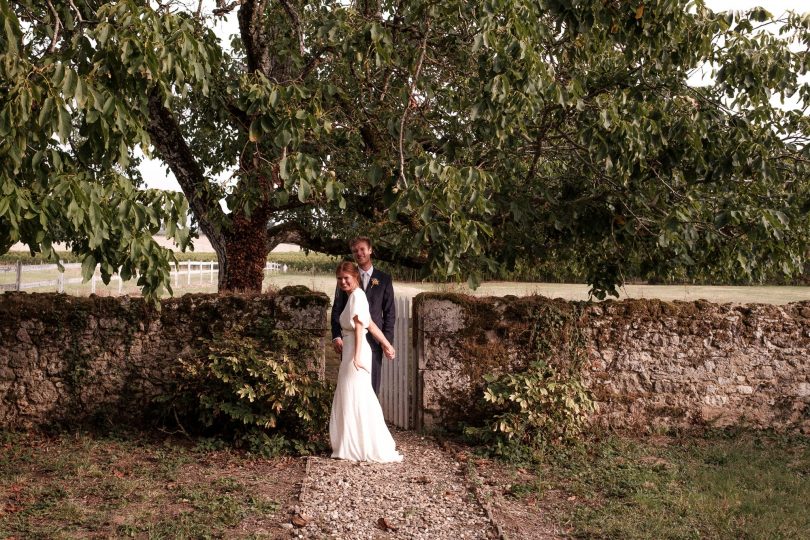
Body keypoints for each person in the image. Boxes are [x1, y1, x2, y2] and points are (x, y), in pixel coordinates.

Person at [329, 261, 403, 462]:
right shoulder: (353, 297)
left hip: (356, 352)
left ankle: (359, 445)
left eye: (347, 278)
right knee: (353, 395)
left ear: (355, 278)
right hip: (353, 350)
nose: (343, 282)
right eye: (340, 279)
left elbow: (361, 328)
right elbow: (371, 324)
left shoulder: (357, 296)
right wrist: (387, 344)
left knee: (357, 395)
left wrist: (357, 356)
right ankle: (352, 443)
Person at [330, 237, 395, 395]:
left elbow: (389, 314)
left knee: (371, 392)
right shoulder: (346, 279)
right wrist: (336, 336)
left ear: (370, 250)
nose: (359, 253)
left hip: (373, 344)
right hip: (349, 345)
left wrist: (386, 343)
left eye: (362, 249)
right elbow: (337, 310)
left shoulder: (384, 279)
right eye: (355, 251)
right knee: (351, 392)